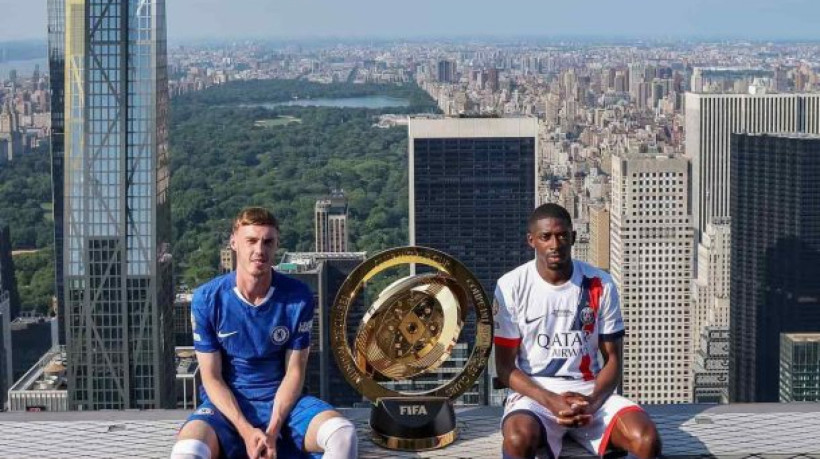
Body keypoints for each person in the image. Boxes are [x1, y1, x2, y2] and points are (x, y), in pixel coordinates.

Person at [171, 207, 358, 459]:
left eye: (268, 242)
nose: (260, 250)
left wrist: (273, 428)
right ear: (234, 242)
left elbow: (294, 371)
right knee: (187, 450)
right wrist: (247, 431)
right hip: (225, 409)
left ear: (276, 245)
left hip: (282, 405)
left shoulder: (297, 297)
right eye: (251, 240)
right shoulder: (208, 299)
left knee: (343, 434)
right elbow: (211, 378)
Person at [494, 203, 661, 459]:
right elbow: (505, 368)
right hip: (535, 394)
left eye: (561, 235)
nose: (555, 244)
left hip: (589, 392)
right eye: (545, 237)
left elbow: (614, 360)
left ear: (572, 237)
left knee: (646, 440)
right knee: (517, 439)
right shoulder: (511, 286)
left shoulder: (600, 284)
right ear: (532, 241)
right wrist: (551, 401)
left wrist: (592, 403)